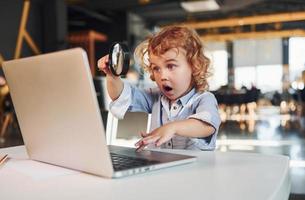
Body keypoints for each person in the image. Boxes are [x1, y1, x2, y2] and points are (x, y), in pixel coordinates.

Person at [97, 26, 221, 151]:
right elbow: (120, 96)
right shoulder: (155, 97)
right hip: (161, 166)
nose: (162, 76)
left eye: (171, 66)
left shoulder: (204, 99)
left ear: (194, 66)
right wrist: (111, 75)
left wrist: (172, 127)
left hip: (195, 169)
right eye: (156, 68)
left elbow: (206, 126)